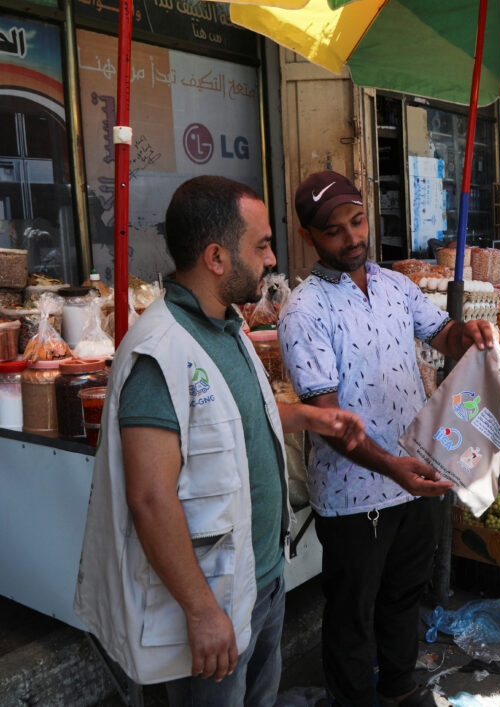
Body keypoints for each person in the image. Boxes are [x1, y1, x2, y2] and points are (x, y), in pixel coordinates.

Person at [74, 176, 367, 705]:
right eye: (260, 246)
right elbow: (149, 496)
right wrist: (202, 611)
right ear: (216, 256)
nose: (272, 258)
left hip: (261, 581)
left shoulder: (225, 326)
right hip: (213, 605)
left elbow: (231, 419)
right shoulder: (159, 353)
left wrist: (309, 418)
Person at [277, 170, 496, 707]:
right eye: (334, 231)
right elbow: (328, 421)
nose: (352, 238)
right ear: (309, 237)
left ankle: (399, 687)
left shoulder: (395, 285)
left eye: (357, 221)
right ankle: (355, 700)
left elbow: (440, 332)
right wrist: (391, 466)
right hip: (355, 492)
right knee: (353, 610)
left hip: (414, 474)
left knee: (403, 595)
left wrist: (466, 335)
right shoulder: (304, 311)